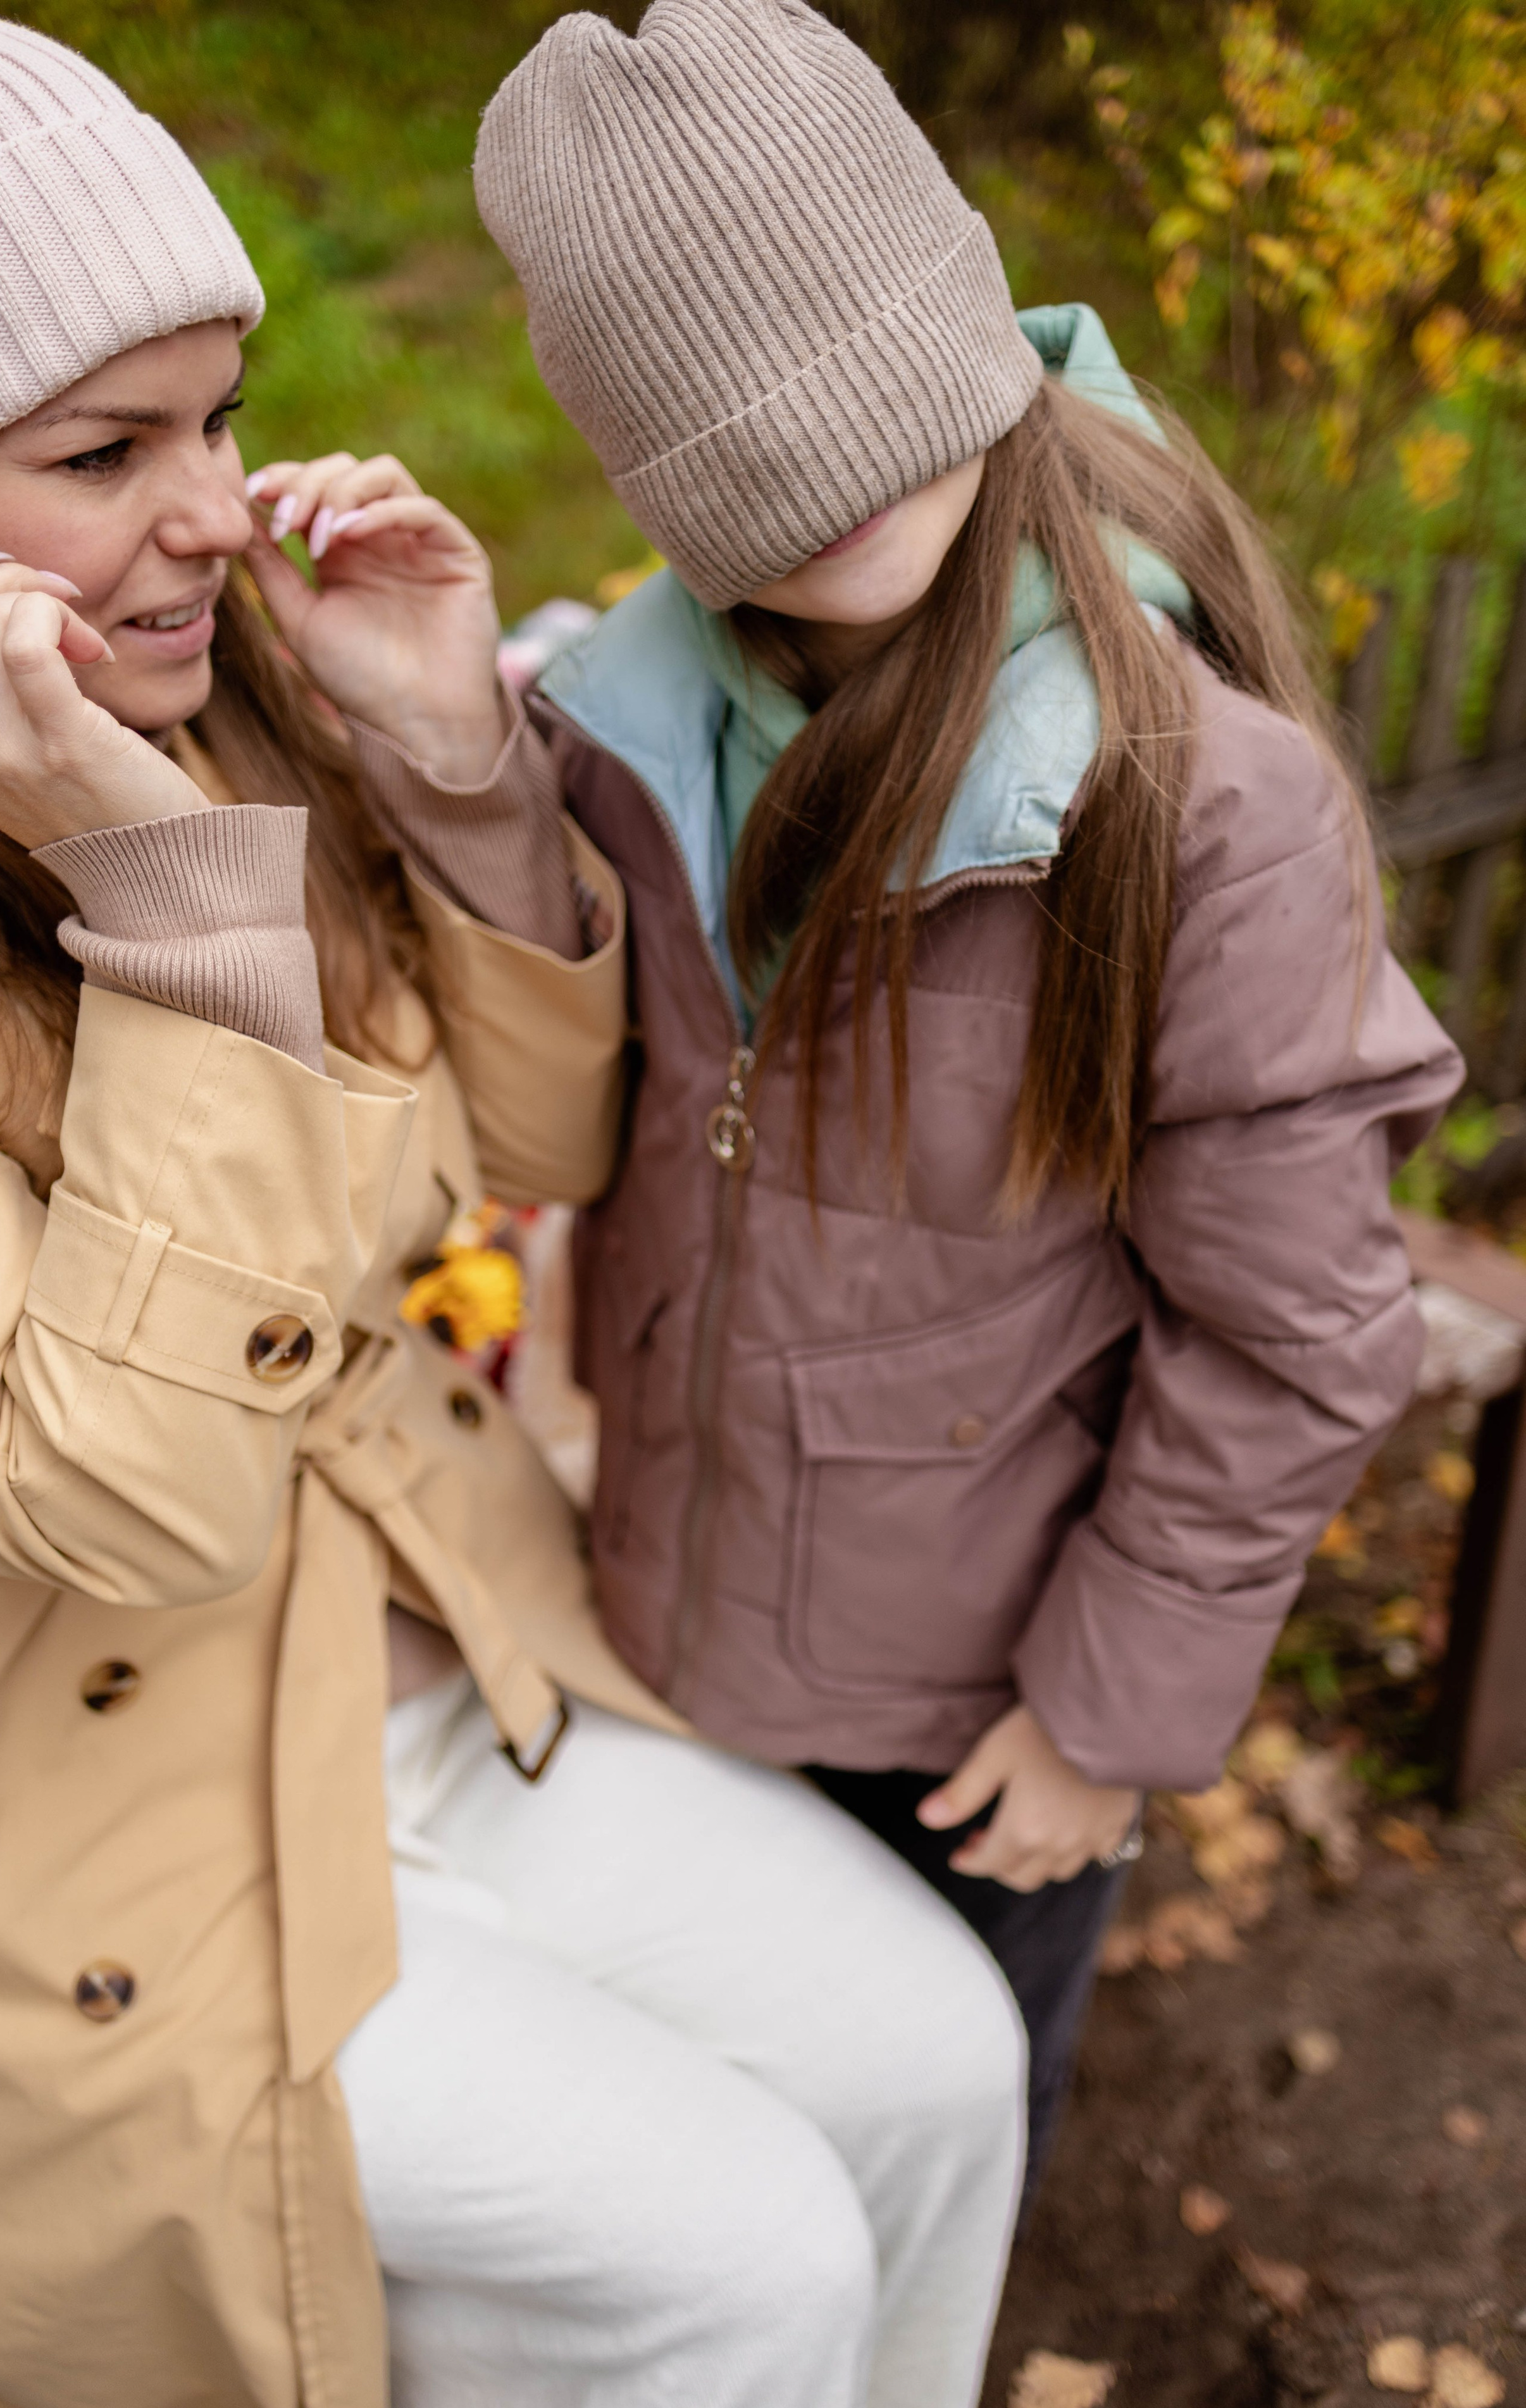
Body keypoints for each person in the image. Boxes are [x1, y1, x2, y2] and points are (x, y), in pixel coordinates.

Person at [0, 6, 1029, 2408]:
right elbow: (121, 1491)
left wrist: (447, 765)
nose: (211, 508)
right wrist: (177, 925)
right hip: (96, 1842)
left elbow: (530, 1155)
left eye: (216, 415)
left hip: (430, 1653)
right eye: (103, 453)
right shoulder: (127, 818)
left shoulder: (209, 717)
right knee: (734, 2272)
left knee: (939, 2065)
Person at [472, 0, 1467, 2200]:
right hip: (693, 1588)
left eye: (881, 413)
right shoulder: (651, 721)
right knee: (724, 2147)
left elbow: (1298, 1329)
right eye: (751, 457)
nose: (837, 481)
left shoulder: (1187, 801)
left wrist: (1103, 1721)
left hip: (977, 1707)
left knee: (919, 2147)